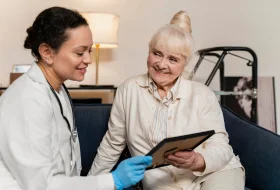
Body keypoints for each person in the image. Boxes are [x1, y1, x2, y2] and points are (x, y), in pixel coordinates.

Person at [0, 6, 152, 190]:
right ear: (47, 52)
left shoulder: (57, 88)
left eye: (89, 51)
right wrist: (112, 180)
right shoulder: (27, 101)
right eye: (80, 53)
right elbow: (42, 186)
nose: (88, 59)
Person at [90, 11, 245, 190]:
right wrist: (89, 184)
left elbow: (221, 146)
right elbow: (112, 143)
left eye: (172, 59)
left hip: (215, 172)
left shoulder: (202, 94)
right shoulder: (129, 90)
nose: (162, 64)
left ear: (184, 63)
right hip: (160, 182)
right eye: (157, 53)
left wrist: (198, 160)